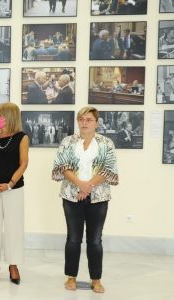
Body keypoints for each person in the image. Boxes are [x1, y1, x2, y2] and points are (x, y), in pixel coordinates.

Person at [52, 106, 119, 294]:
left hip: (98, 197)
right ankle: (71, 277)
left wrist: (87, 186)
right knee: (73, 239)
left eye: (89, 120)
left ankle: (96, 279)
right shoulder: (68, 142)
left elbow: (108, 169)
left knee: (95, 240)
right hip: (71, 196)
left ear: (97, 123)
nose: (84, 123)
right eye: (81, 119)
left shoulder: (106, 143)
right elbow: (62, 166)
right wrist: (79, 185)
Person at [0, 103, 29, 285]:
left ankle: (13, 265)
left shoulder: (22, 137)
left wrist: (10, 184)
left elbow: (23, 164)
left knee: (13, 226)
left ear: (8, 116)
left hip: (13, 188)